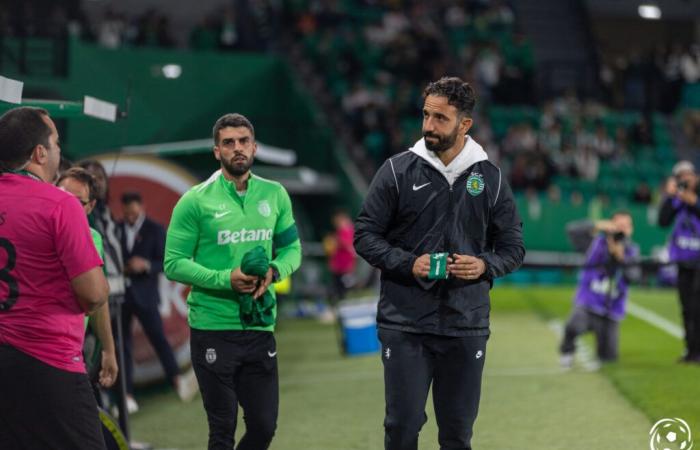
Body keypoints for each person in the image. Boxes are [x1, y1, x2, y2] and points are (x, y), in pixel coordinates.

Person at [354, 77, 525, 450]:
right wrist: (409, 263)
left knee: (457, 435)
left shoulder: (491, 179)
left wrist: (484, 266)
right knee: (401, 428)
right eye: (426, 115)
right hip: (405, 323)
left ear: (465, 124)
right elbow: (365, 236)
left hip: (466, 325)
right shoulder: (397, 171)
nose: (429, 126)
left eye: (440, 118)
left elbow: (513, 247)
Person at [164, 113, 302, 450]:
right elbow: (173, 263)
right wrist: (227, 279)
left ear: (254, 147)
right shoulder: (195, 200)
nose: (237, 148)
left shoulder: (275, 194)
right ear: (217, 151)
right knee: (221, 429)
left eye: (243, 141)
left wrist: (273, 272)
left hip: (259, 327)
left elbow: (292, 249)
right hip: (212, 326)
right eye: (229, 143)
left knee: (263, 426)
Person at [0, 107, 110, 449]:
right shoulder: (61, 205)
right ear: (39, 153)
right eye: (57, 143)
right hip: (50, 361)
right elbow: (93, 295)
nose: (60, 151)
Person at [120, 191, 197, 407]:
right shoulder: (116, 229)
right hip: (121, 295)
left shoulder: (155, 229)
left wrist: (145, 265)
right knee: (122, 345)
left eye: (134, 212)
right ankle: (126, 395)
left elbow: (165, 262)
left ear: (141, 207)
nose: (131, 217)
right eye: (128, 213)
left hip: (146, 295)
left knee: (159, 339)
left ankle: (176, 380)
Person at [57, 167, 119, 388]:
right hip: (44, 351)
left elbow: (97, 299)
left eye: (76, 201)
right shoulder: (39, 228)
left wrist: (109, 350)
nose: (66, 205)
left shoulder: (93, 237)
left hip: (73, 349)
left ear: (91, 206)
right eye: (62, 196)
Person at [559, 212, 640, 367]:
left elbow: (634, 277)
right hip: (588, 303)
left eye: (626, 226)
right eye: (619, 226)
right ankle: (567, 350)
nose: (622, 231)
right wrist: (597, 225)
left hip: (612, 311)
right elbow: (571, 230)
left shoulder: (632, 251)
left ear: (631, 230)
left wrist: (622, 258)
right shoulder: (595, 242)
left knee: (609, 358)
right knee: (573, 326)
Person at [658, 160, 700, 363]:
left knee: (698, 307)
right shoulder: (676, 199)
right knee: (686, 307)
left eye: (688, 175)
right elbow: (662, 221)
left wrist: (694, 202)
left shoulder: (694, 198)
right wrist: (670, 196)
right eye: (680, 176)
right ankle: (691, 351)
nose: (684, 179)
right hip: (683, 261)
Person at [325, 209, 357, 303]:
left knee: (343, 286)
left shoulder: (346, 231)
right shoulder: (341, 231)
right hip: (339, 265)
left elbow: (347, 244)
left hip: (345, 264)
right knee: (338, 286)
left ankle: (343, 303)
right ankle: (338, 303)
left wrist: (336, 240)